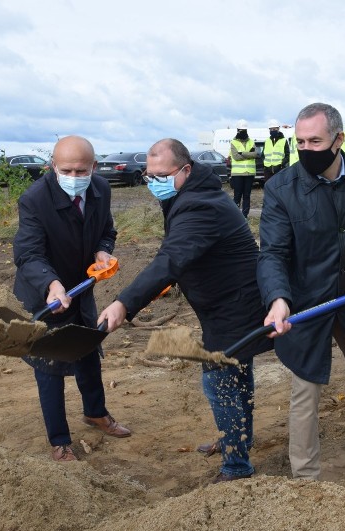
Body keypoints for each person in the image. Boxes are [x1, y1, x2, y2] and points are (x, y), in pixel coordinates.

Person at [97, 138, 271, 484]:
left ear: (185, 170)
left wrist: (124, 303)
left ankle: (237, 467)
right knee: (236, 376)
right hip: (226, 302)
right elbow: (186, 252)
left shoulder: (200, 205)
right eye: (149, 176)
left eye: (161, 175)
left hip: (236, 306)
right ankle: (238, 440)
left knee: (218, 380)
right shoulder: (189, 194)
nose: (154, 182)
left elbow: (171, 257)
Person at [257, 102, 345, 480]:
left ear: (339, 140)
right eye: (300, 141)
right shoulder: (280, 189)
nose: (306, 149)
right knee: (307, 388)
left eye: (315, 141)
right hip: (306, 303)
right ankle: (305, 476)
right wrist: (278, 299)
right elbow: (271, 252)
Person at [13, 135, 131, 463]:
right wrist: (51, 284)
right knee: (50, 364)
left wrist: (102, 251)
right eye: (67, 170)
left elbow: (107, 230)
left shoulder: (101, 191)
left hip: (81, 287)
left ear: (94, 166)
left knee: (88, 350)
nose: (75, 178)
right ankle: (60, 441)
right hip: (43, 293)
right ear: (53, 166)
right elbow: (28, 253)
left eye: (82, 171)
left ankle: (96, 413)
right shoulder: (35, 199)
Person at [229, 119, 259, 217]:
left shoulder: (251, 141)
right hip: (237, 174)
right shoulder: (233, 142)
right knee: (237, 195)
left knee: (247, 195)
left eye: (244, 130)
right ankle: (235, 216)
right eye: (241, 130)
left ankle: (245, 215)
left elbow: (255, 154)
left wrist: (242, 153)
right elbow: (236, 157)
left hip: (249, 173)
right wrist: (248, 154)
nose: (243, 132)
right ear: (237, 130)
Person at [263, 119, 289, 185]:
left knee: (279, 188)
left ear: (278, 129)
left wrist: (281, 164)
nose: (272, 131)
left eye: (274, 129)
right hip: (268, 170)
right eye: (271, 129)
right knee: (268, 188)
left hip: (279, 169)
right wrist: (265, 165)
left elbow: (288, 155)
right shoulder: (267, 141)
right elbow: (263, 155)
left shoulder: (283, 140)